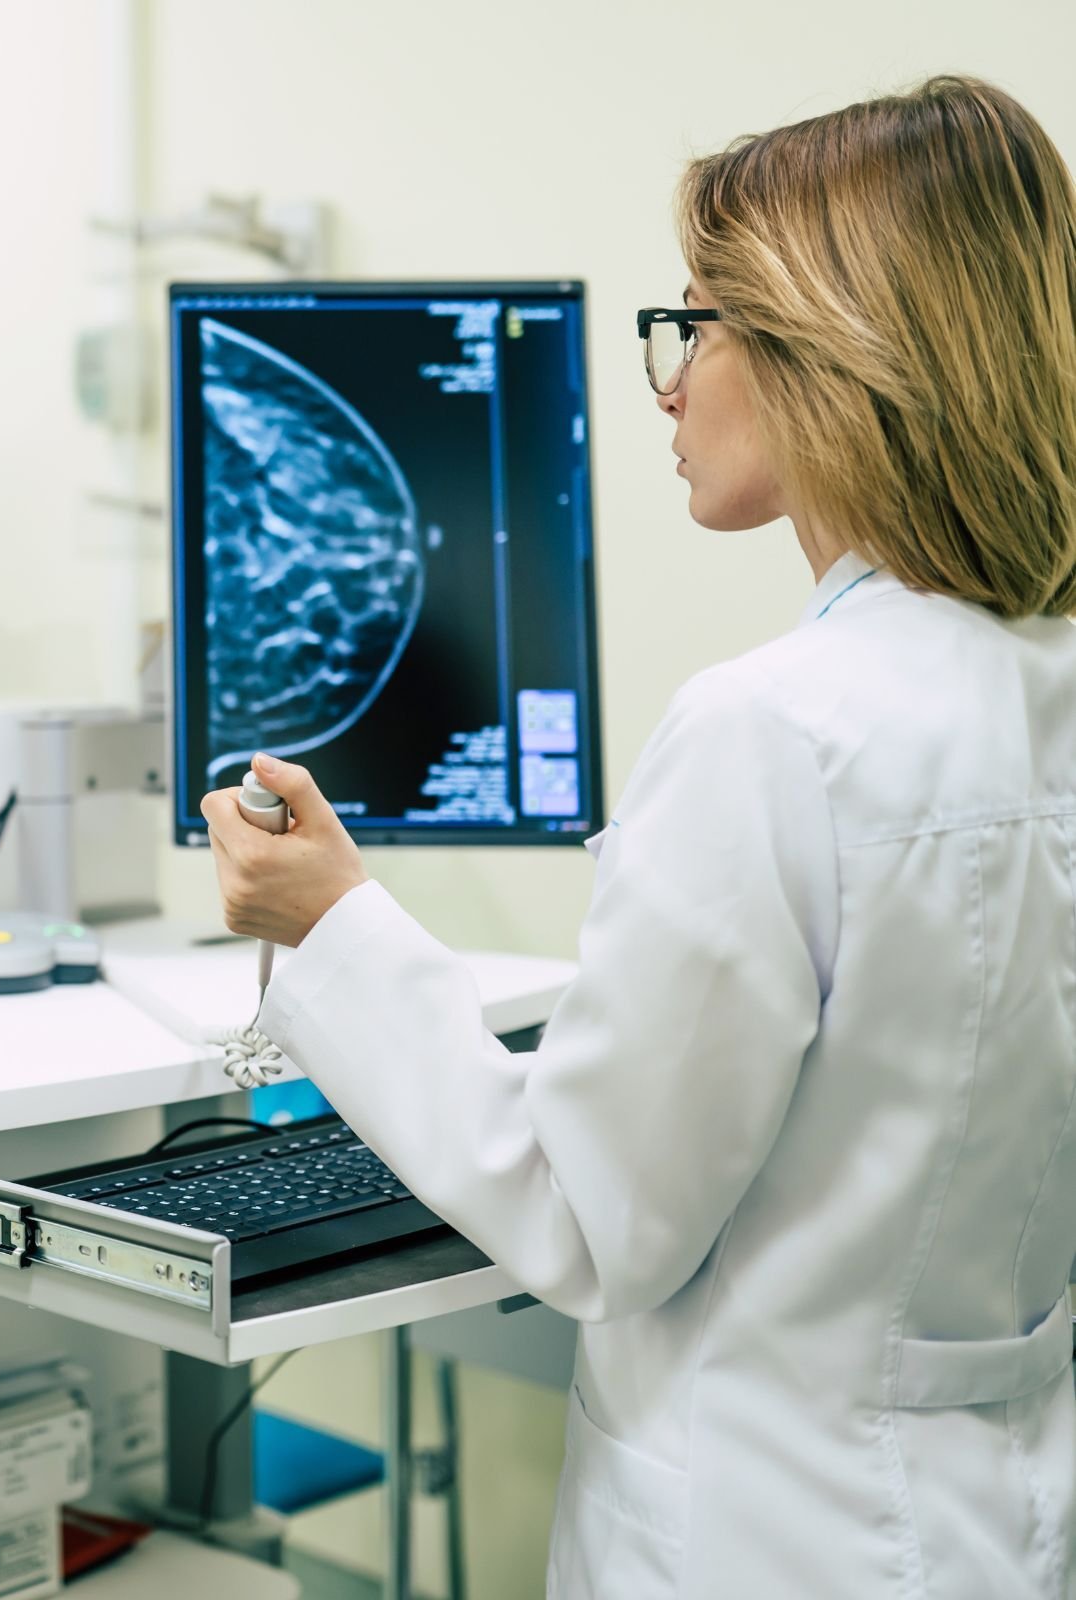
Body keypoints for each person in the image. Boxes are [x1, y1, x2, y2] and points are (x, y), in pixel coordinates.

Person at [212, 76, 1076, 1598]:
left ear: (832, 349)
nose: (666, 385)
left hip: (763, 1539)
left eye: (696, 327)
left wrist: (329, 919)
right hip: (999, 1524)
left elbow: (589, 1221)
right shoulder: (1037, 687)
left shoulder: (776, 730)